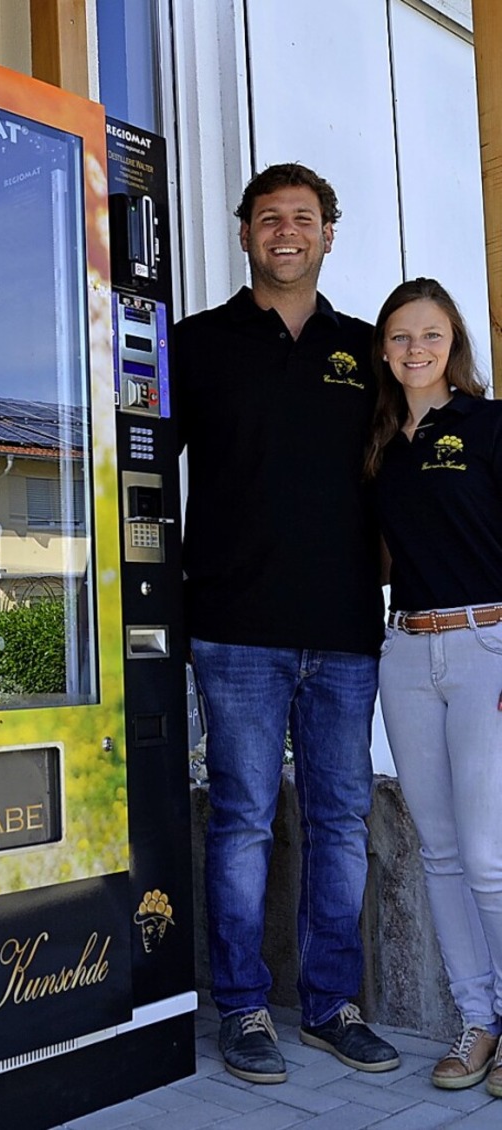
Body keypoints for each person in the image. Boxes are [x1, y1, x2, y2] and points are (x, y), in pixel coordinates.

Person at [175, 163, 400, 1084]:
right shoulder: (196, 344)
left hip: (346, 629)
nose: (286, 232)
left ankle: (332, 1005)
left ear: (328, 234)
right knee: (242, 822)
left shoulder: (364, 350)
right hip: (234, 627)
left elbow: (408, 483)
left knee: (342, 822)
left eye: (303, 218)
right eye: (269, 218)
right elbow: (135, 463)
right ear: (244, 235)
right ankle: (243, 1009)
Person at [366, 276, 502, 1099]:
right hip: (407, 655)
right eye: (400, 337)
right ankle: (477, 1020)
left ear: (454, 345)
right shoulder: (379, 441)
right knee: (442, 855)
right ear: (383, 350)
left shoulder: (489, 425)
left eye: (432, 335)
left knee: (490, 857)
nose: (416, 350)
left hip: (486, 642)